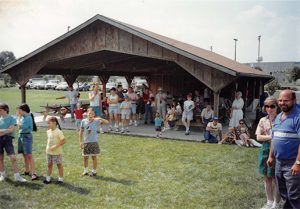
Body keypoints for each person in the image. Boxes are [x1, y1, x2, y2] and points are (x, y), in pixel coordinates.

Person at [267, 90, 300, 209]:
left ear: (294, 100)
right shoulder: (279, 116)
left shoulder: (298, 116)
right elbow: (273, 137)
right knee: (284, 194)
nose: (282, 103)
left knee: (294, 196)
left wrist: (298, 163)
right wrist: (271, 156)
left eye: (286, 100)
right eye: (280, 100)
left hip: (292, 163)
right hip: (279, 162)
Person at [256, 97, 281, 209]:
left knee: (276, 178)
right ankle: (269, 201)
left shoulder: (282, 119)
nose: (269, 109)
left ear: (277, 107)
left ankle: (276, 203)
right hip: (265, 150)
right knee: (267, 177)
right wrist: (271, 136)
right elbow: (258, 137)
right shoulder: (263, 120)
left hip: (279, 149)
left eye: (272, 106)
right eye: (267, 106)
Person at [0, 103, 27, 182]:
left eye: (0, 110)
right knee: (0, 158)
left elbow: (11, 130)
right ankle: (2, 175)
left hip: (8, 140)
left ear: (6, 110)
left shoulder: (12, 118)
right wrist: (7, 130)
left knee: (13, 158)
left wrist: (3, 131)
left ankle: (17, 176)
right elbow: (9, 130)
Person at [79, 108, 109, 177]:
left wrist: (100, 118)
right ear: (87, 113)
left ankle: (94, 171)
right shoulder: (83, 121)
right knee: (85, 157)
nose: (91, 115)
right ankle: (85, 171)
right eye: (89, 113)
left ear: (94, 114)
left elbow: (107, 122)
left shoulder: (96, 121)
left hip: (94, 142)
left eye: (92, 113)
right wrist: (80, 142)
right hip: (86, 142)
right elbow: (80, 132)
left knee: (94, 157)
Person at [17, 103, 38, 181]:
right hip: (21, 136)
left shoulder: (28, 117)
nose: (18, 113)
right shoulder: (23, 116)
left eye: (19, 111)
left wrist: (18, 120)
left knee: (29, 155)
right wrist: (19, 120)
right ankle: (27, 171)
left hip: (26, 137)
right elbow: (20, 126)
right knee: (24, 154)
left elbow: (22, 126)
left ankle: (33, 174)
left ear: (23, 110)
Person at [43, 117, 66, 184]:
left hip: (57, 152)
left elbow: (63, 141)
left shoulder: (59, 132)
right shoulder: (48, 131)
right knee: (49, 165)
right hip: (48, 152)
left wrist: (55, 146)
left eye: (49, 123)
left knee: (59, 165)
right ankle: (48, 179)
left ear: (54, 123)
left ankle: (60, 179)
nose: (48, 124)